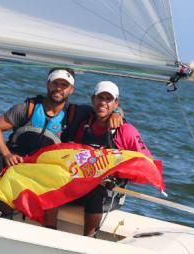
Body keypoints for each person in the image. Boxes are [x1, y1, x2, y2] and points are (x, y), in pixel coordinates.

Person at [0, 69, 123, 223]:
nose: (58, 89)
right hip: (12, 156)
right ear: (48, 84)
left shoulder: (76, 113)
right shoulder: (28, 107)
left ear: (71, 90)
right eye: (55, 84)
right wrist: (7, 155)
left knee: (49, 183)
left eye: (64, 85)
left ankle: (38, 226)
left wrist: (118, 113)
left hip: (41, 166)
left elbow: (102, 109)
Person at [72, 81, 153, 237]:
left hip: (109, 192)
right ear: (92, 100)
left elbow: (147, 161)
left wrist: (118, 168)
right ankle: (48, 231)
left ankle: (88, 239)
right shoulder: (84, 124)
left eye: (108, 99)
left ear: (116, 103)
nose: (103, 103)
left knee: (94, 190)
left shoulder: (127, 130)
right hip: (80, 183)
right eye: (100, 98)